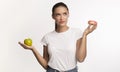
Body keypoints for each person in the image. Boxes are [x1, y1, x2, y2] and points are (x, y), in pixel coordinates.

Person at [18, 2, 97, 72]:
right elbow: (46, 65)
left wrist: (85, 35)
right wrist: (33, 49)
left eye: (64, 14)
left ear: (68, 14)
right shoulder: (47, 37)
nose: (61, 18)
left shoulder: (77, 33)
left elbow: (81, 59)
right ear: (53, 16)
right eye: (58, 14)